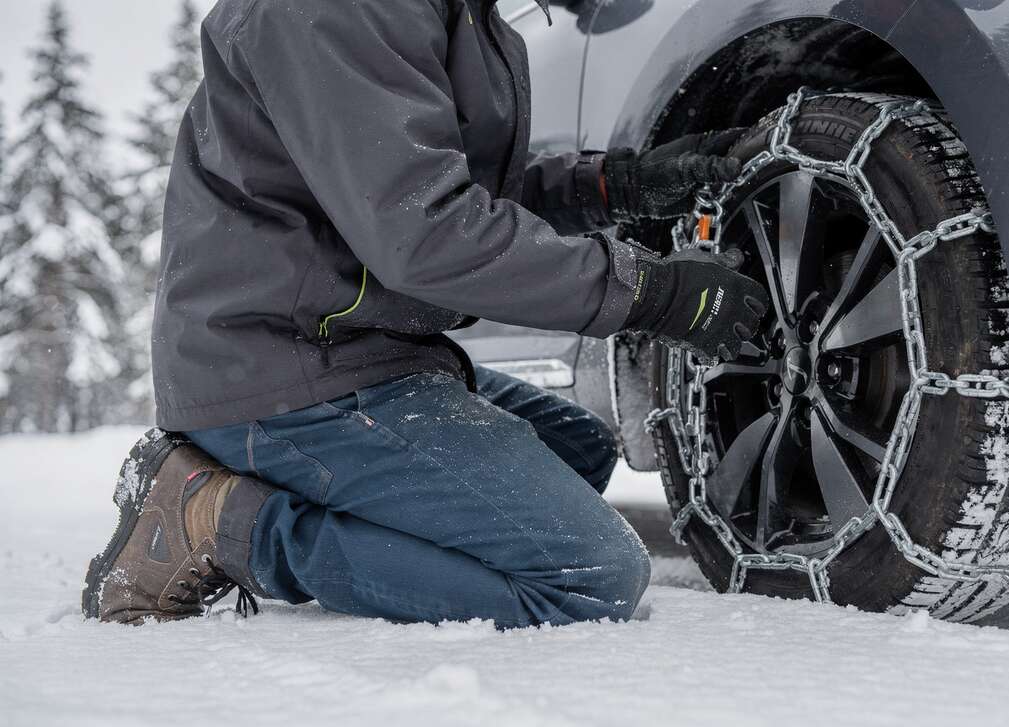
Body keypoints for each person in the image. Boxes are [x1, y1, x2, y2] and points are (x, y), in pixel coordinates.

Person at [82, 0, 767, 628]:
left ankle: (299, 492)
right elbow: (428, 232)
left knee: (577, 449)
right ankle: (220, 518)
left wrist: (614, 185)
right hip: (282, 370)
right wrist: (653, 293)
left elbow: (425, 186)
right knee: (587, 577)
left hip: (348, 347)